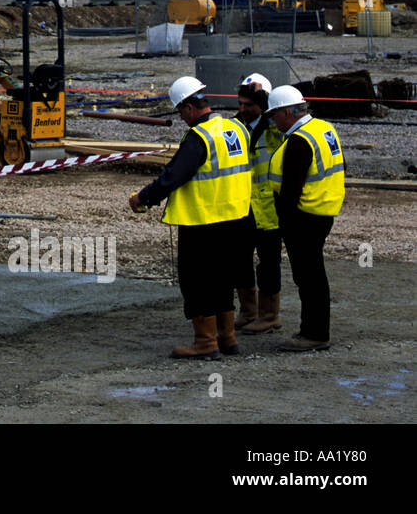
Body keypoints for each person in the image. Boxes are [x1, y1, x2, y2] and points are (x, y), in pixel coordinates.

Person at [129, 76, 252, 359]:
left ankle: (205, 342)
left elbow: (174, 176)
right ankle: (227, 338)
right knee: (223, 280)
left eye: (180, 111)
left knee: (197, 282)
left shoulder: (199, 138)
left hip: (202, 221)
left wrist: (143, 198)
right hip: (236, 218)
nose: (182, 118)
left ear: (187, 107)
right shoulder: (236, 129)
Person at [265, 85, 345, 352]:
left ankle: (314, 333)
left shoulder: (299, 141)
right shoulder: (323, 129)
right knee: (314, 274)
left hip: (304, 217)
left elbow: (290, 191)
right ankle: (315, 330)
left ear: (288, 112)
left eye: (274, 114)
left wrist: (283, 224)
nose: (273, 120)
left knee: (309, 276)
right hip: (323, 210)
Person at [233, 74, 286, 333]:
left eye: (249, 105)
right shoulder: (234, 128)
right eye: (240, 104)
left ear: (263, 105)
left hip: (268, 209)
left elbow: (288, 121)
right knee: (240, 259)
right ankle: (248, 311)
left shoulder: (275, 129)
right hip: (241, 207)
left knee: (268, 262)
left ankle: (269, 315)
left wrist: (267, 103)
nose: (243, 109)